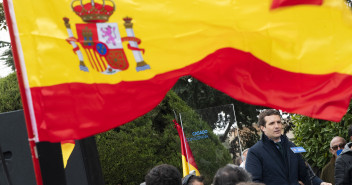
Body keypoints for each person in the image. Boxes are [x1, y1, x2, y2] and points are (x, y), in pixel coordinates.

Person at [245, 109, 331, 185]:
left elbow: (305, 175)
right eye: (272, 123)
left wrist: (321, 183)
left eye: (279, 122)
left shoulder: (292, 147)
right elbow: (253, 182)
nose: (277, 126)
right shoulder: (254, 152)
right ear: (263, 128)